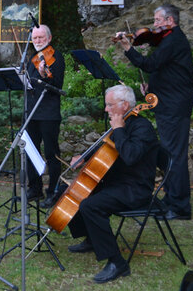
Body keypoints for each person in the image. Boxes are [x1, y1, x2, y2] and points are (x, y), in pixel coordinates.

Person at [66, 85, 161, 283]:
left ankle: (118, 263)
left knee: (90, 206)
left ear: (125, 105)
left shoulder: (142, 128)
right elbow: (107, 147)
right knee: (76, 190)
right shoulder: (122, 123)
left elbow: (130, 156)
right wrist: (85, 157)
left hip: (135, 189)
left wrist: (118, 130)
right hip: (118, 182)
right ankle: (92, 238)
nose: (106, 109)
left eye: (110, 105)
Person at [115, 4, 193, 220]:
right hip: (168, 103)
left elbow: (149, 64)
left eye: (158, 20)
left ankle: (180, 207)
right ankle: (171, 199)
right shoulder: (167, 41)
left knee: (174, 156)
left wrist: (128, 48)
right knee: (168, 153)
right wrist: (152, 87)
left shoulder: (173, 40)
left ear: (170, 21)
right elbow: (168, 70)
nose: (154, 25)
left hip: (174, 106)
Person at [25, 24, 65, 208]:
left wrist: (44, 75)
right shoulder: (32, 58)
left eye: (41, 38)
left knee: (51, 154)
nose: (37, 41)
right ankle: (35, 188)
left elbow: (56, 84)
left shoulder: (56, 58)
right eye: (35, 38)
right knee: (30, 151)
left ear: (49, 38)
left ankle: (53, 192)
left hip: (48, 113)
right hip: (32, 112)